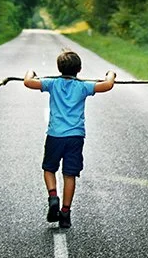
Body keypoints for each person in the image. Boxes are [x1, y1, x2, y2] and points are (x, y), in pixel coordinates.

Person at [23, 50, 115, 229]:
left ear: (58, 68)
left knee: (49, 169)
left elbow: (28, 82)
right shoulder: (83, 87)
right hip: (75, 137)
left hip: (55, 135)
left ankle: (53, 197)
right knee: (69, 174)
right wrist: (111, 74)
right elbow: (108, 85)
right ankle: (65, 213)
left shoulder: (52, 83)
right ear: (79, 69)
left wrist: (31, 72)